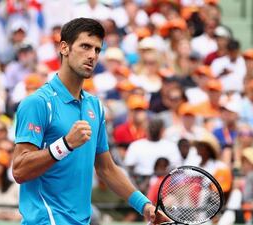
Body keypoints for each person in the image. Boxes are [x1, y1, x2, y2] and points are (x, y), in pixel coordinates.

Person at [12, 18, 169, 225]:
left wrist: (145, 205)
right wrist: (64, 145)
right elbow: (20, 170)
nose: (92, 55)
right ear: (64, 48)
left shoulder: (94, 106)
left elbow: (106, 168)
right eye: (85, 46)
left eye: (97, 50)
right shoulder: (37, 103)